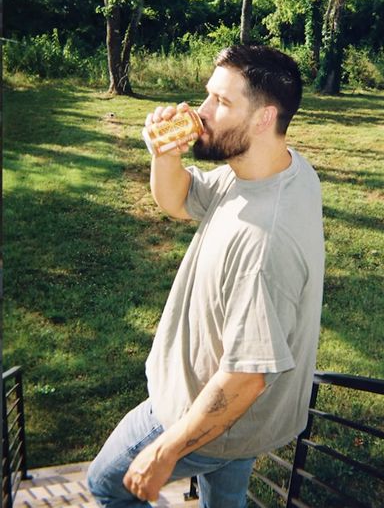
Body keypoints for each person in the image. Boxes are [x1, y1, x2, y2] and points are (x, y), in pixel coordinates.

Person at [87, 45, 325, 508]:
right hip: (250, 428)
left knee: (104, 485)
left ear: (263, 118)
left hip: (193, 415)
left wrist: (168, 447)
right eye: (207, 96)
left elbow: (246, 379)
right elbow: (178, 201)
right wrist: (166, 154)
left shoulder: (264, 244)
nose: (201, 112)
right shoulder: (276, 169)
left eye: (222, 102)